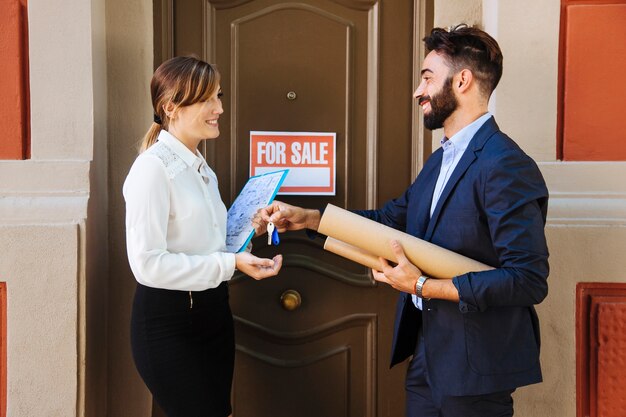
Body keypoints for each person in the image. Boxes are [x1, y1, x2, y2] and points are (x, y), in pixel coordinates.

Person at [256, 25, 549, 417]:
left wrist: (424, 286)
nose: (418, 91)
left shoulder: (505, 164)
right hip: (428, 359)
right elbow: (389, 222)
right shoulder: (440, 160)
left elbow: (527, 279)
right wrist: (309, 218)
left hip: (476, 369)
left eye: (427, 78)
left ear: (462, 80)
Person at [123, 56, 283, 417]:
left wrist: (247, 231)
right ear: (170, 107)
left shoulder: (200, 166)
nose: (220, 108)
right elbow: (147, 265)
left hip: (213, 312)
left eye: (218, 96)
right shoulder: (152, 169)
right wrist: (231, 262)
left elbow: (209, 243)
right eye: (207, 99)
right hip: (168, 323)